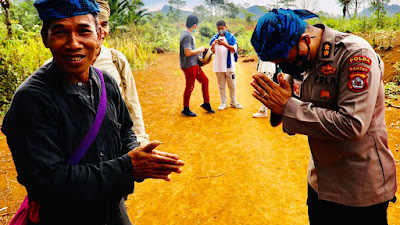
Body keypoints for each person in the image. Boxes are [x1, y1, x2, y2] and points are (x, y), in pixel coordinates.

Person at [1, 1, 184, 224]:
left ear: (99, 34)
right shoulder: (31, 99)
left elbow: (124, 128)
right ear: (45, 38)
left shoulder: (106, 82)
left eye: (83, 30)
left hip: (113, 213)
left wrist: (137, 154)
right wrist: (128, 167)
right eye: (60, 32)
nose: (73, 43)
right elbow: (46, 181)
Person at [250, 9, 397, 224]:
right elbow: (287, 110)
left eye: (283, 59)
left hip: (359, 189)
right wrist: (275, 101)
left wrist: (288, 106)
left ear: (304, 39)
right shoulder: (298, 58)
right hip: (320, 183)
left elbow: (353, 125)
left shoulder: (354, 54)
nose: (282, 66)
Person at [93, 0, 149, 145]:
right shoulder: (57, 66)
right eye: (93, 24)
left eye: (104, 24)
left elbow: (132, 103)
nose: (100, 31)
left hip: (115, 142)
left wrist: (140, 141)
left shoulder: (116, 60)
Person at [180, 15, 214, 117]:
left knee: (205, 80)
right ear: (194, 25)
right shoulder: (187, 36)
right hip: (189, 65)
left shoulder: (186, 33)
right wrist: (200, 50)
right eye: (197, 25)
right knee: (189, 87)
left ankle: (206, 104)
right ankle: (185, 109)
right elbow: (188, 53)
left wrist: (199, 54)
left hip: (193, 64)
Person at [210, 20, 242, 110]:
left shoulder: (231, 37)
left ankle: (233, 102)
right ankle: (223, 103)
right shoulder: (214, 38)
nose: (220, 30)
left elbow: (233, 49)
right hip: (218, 66)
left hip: (229, 66)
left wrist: (224, 44)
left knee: (232, 85)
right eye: (219, 29)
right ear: (217, 29)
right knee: (221, 86)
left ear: (226, 27)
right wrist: (213, 44)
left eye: (222, 28)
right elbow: (212, 51)